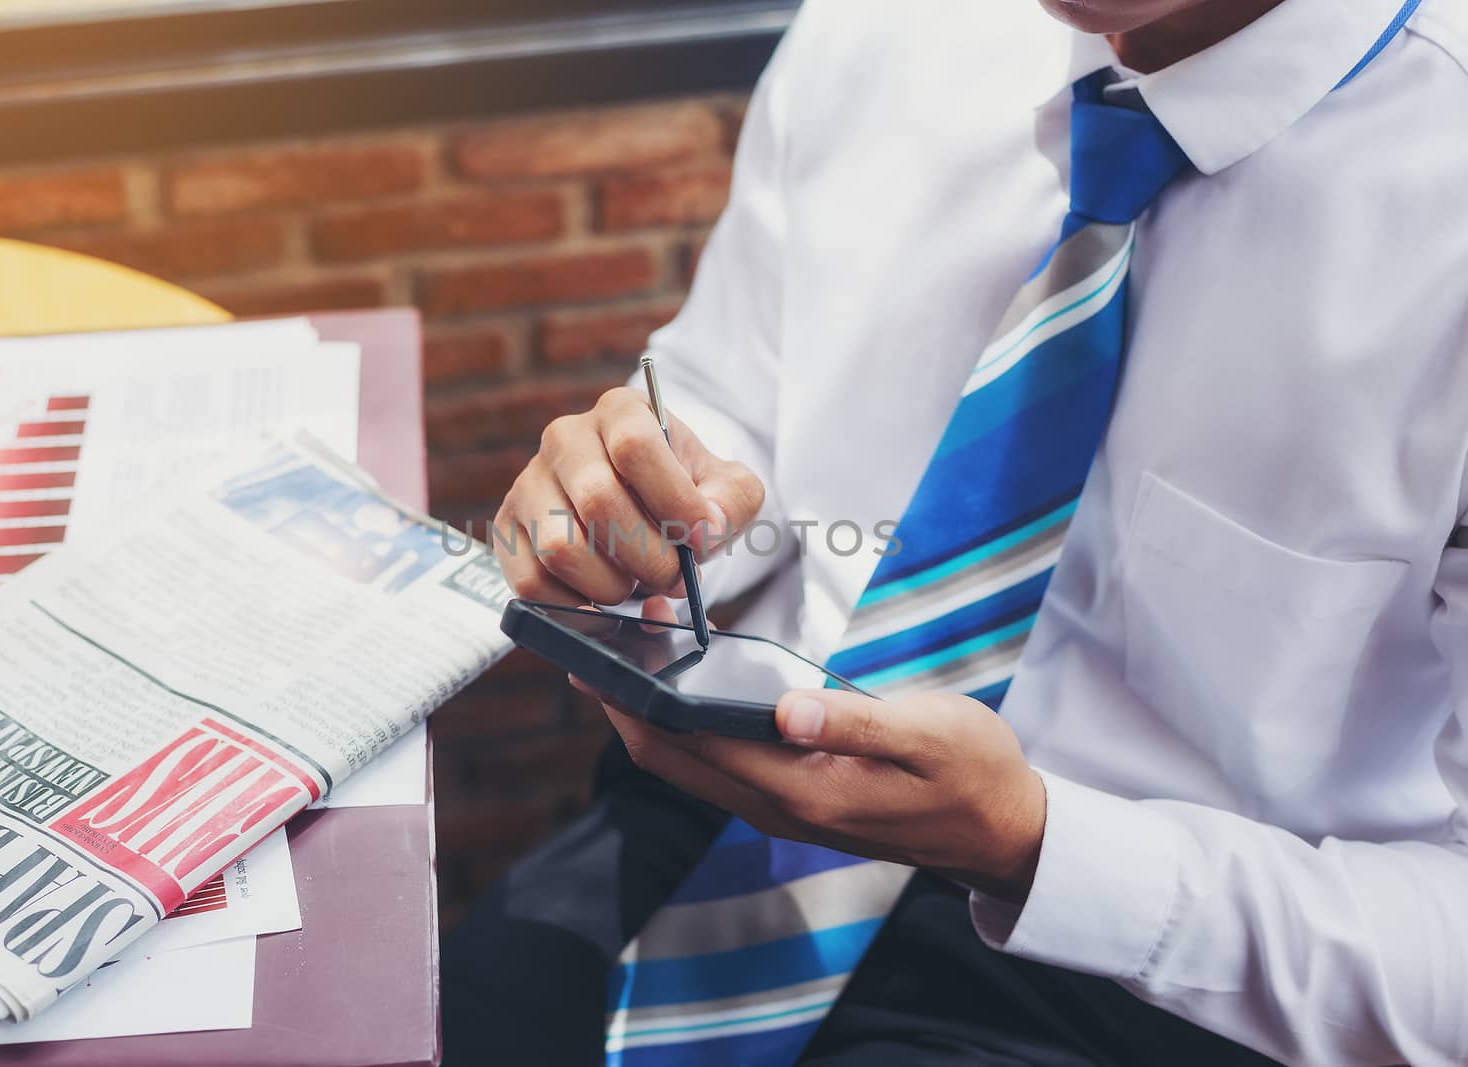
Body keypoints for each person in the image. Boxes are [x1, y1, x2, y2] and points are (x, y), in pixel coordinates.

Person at [443, 0, 1468, 1064]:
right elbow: (730, 385)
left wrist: (1035, 844)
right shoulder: (884, 26)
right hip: (726, 820)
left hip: (1177, 977)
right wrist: (648, 499)